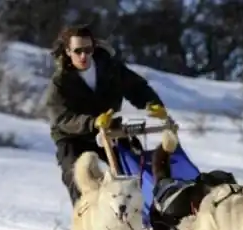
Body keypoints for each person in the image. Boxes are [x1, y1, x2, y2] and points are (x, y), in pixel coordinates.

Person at [43, 25, 169, 206]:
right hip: (73, 137)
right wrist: (92, 122)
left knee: (134, 167)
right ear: (68, 51)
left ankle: (144, 213)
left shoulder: (110, 68)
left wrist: (152, 104)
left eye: (88, 50)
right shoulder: (60, 82)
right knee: (79, 178)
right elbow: (62, 118)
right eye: (78, 51)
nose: (83, 56)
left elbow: (136, 87)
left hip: (109, 130)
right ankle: (88, 217)